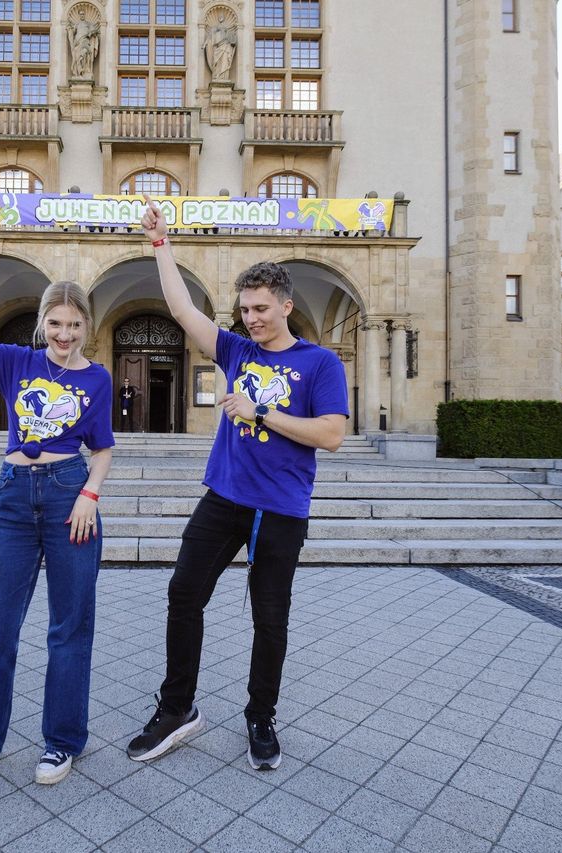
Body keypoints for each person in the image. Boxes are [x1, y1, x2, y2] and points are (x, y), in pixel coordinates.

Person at [126, 198, 348, 771]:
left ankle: (260, 717)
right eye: (245, 309)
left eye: (262, 309)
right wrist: (161, 243)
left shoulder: (320, 364)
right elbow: (181, 309)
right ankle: (177, 709)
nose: (252, 318)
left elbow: (331, 435)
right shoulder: (237, 348)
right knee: (183, 594)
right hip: (224, 498)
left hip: (280, 510)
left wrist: (259, 414)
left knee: (269, 618)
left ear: (287, 306)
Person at [0, 234, 114, 793]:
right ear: (42, 324)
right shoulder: (16, 362)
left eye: (74, 325)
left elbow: (102, 448)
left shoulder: (97, 378)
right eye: (55, 324)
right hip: (8, 502)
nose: (64, 335)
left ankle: (62, 743)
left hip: (70, 497)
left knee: (69, 627)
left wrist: (90, 495)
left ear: (88, 326)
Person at [67, 8, 100, 80]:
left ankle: (85, 71)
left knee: (84, 53)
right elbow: (72, 32)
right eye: (80, 14)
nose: (82, 15)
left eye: (83, 14)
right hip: (77, 42)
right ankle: (79, 73)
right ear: (79, 15)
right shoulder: (77, 24)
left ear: (84, 15)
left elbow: (94, 31)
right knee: (77, 57)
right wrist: (69, 28)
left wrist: (91, 33)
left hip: (85, 41)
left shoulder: (88, 24)